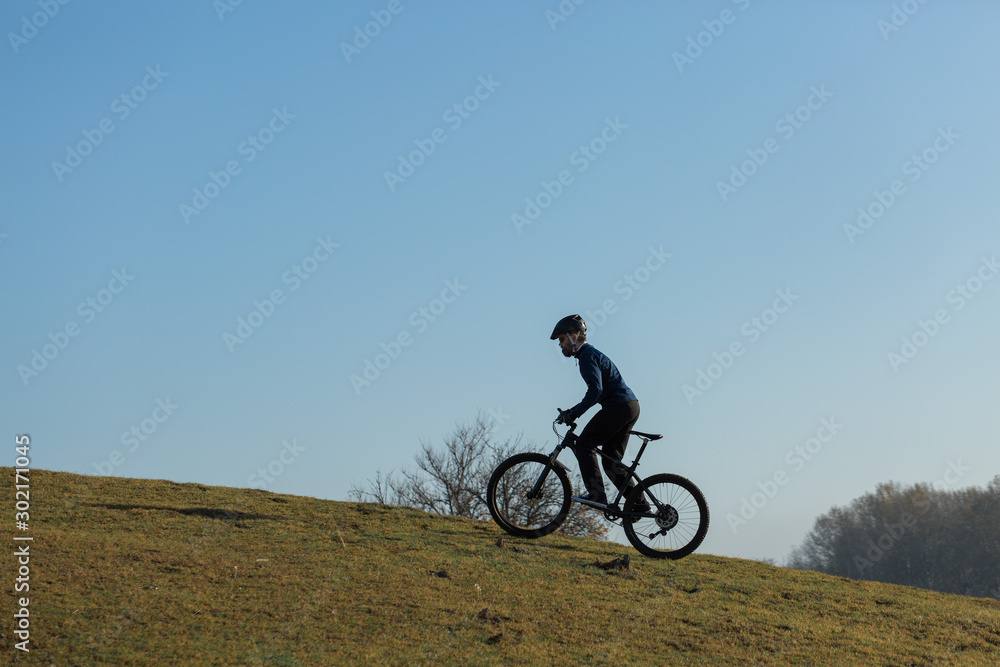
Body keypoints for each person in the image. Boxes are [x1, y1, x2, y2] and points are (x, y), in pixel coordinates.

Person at [550, 314, 644, 510]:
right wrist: (573, 411)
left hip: (618, 407)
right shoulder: (589, 355)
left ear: (574, 336)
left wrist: (573, 413)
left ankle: (597, 496)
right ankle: (640, 505)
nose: (560, 345)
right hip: (629, 406)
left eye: (562, 339)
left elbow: (596, 390)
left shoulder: (586, 356)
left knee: (585, 444)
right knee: (611, 462)